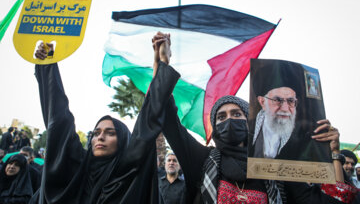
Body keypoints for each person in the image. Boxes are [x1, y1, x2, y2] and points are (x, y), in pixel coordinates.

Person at [152, 32, 357, 203]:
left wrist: (332, 154)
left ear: (249, 120)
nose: (229, 120)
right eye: (221, 117)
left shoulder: (275, 164)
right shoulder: (203, 159)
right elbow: (168, 119)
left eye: (236, 114)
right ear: (214, 127)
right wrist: (162, 64)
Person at [30, 38, 179, 204]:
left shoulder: (127, 173)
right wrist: (47, 63)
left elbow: (147, 125)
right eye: (96, 133)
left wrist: (162, 64)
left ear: (122, 141)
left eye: (110, 133)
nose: (100, 137)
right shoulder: (77, 169)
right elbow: (59, 121)